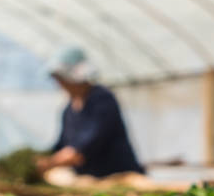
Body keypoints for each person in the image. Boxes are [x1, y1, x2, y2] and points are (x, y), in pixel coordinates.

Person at [37, 47, 144, 178]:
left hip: (118, 177)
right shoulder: (68, 110)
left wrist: (49, 163)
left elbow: (81, 150)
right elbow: (60, 146)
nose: (59, 83)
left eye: (60, 77)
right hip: (89, 179)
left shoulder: (102, 99)